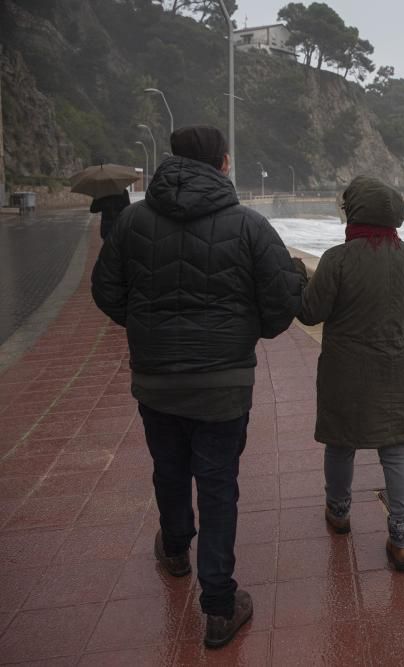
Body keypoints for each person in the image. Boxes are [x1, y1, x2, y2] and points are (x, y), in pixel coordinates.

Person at [91, 125, 305, 648]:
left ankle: (174, 551)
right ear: (224, 163)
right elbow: (281, 308)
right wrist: (239, 332)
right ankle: (219, 605)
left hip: (157, 379)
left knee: (169, 467)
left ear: (172, 160)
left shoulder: (133, 221)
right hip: (223, 385)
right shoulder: (250, 226)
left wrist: (149, 330)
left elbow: (106, 292)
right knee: (217, 486)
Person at [298, 175, 404, 571]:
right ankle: (402, 539)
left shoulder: (337, 260)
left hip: (347, 370)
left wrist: (297, 281)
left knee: (341, 443)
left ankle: (339, 513)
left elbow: (310, 312)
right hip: (398, 369)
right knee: (397, 451)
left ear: (353, 213)